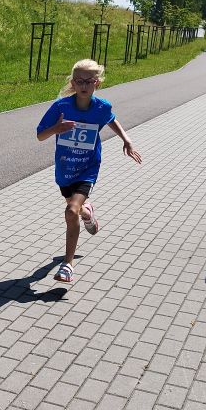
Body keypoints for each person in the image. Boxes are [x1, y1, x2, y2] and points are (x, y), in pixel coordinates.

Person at [36, 59, 142, 283]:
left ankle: (67, 265)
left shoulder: (102, 107)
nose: (84, 85)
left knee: (70, 211)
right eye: (79, 81)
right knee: (74, 210)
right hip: (65, 168)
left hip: (88, 168)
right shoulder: (61, 107)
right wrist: (57, 128)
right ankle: (88, 213)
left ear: (97, 83)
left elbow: (111, 119)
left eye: (89, 81)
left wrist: (127, 140)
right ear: (72, 83)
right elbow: (40, 135)